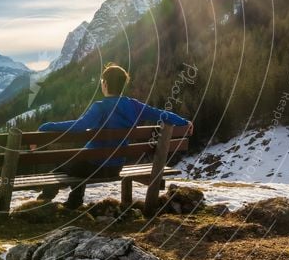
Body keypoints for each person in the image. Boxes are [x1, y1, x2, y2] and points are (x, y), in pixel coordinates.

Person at [37, 63, 192, 208]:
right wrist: (184, 122)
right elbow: (160, 114)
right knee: (78, 162)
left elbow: (79, 126)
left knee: (62, 168)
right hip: (116, 166)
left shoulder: (100, 107)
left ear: (104, 84)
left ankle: (45, 202)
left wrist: (47, 126)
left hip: (93, 167)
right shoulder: (134, 105)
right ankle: (73, 201)